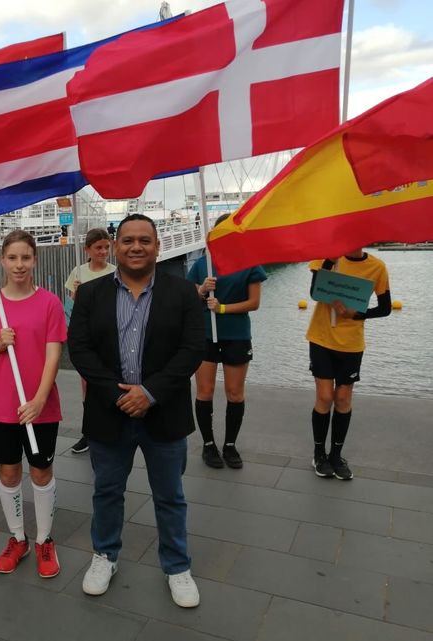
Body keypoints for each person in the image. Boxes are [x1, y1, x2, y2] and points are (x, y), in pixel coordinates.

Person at [68, 214, 204, 607]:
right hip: (109, 414)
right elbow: (80, 349)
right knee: (107, 490)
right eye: (127, 240)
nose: (136, 247)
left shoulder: (182, 293)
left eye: (145, 240)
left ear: (158, 246)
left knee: (170, 495)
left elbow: (192, 350)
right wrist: (118, 394)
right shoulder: (90, 294)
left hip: (164, 413)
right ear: (115, 246)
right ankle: (105, 555)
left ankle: (177, 566)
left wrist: (149, 392)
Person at [0, 230, 67, 578]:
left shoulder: (50, 304)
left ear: (35, 260)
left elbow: (54, 354)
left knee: (41, 471)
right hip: (1, 406)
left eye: (25, 257)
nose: (19, 265)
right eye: (12, 258)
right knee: (9, 472)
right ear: (1, 260)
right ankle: (17, 538)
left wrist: (40, 399)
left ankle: (44, 540)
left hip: (40, 407)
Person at [187, 214, 267, 469]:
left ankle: (230, 445)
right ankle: (208, 445)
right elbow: (189, 295)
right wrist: (200, 290)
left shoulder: (250, 264)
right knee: (205, 391)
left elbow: (254, 303)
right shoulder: (203, 264)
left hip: (236, 335)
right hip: (205, 335)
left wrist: (222, 308)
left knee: (234, 392)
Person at [306, 249, 391, 481]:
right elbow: (314, 293)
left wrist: (357, 315)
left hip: (351, 344)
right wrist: (327, 262)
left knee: (343, 399)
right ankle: (318, 454)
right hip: (322, 337)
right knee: (324, 397)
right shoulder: (327, 258)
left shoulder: (377, 267)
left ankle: (336, 455)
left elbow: (385, 308)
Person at [64, 228, 115, 454]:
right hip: (87, 336)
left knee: (109, 380)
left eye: (106, 247)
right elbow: (71, 306)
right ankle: (89, 431)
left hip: (110, 335)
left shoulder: (115, 271)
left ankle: (110, 426)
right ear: (88, 250)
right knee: (87, 385)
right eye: (98, 247)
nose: (103, 251)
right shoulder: (78, 272)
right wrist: (75, 295)